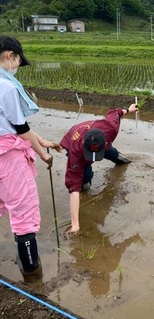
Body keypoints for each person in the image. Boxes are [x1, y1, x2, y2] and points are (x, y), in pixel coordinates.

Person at [0, 36, 60, 282]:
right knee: (23, 212)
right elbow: (20, 128)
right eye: (17, 61)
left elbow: (9, 125)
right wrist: (41, 152)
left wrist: (41, 140)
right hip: (7, 158)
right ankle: (33, 275)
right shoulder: (7, 86)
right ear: (11, 56)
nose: (16, 67)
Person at [59, 103, 138, 235]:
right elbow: (73, 189)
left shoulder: (111, 127)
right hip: (75, 137)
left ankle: (122, 159)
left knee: (114, 154)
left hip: (101, 142)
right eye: (91, 156)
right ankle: (86, 180)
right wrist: (75, 224)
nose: (94, 159)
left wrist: (128, 110)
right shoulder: (76, 153)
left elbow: (115, 112)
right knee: (84, 182)